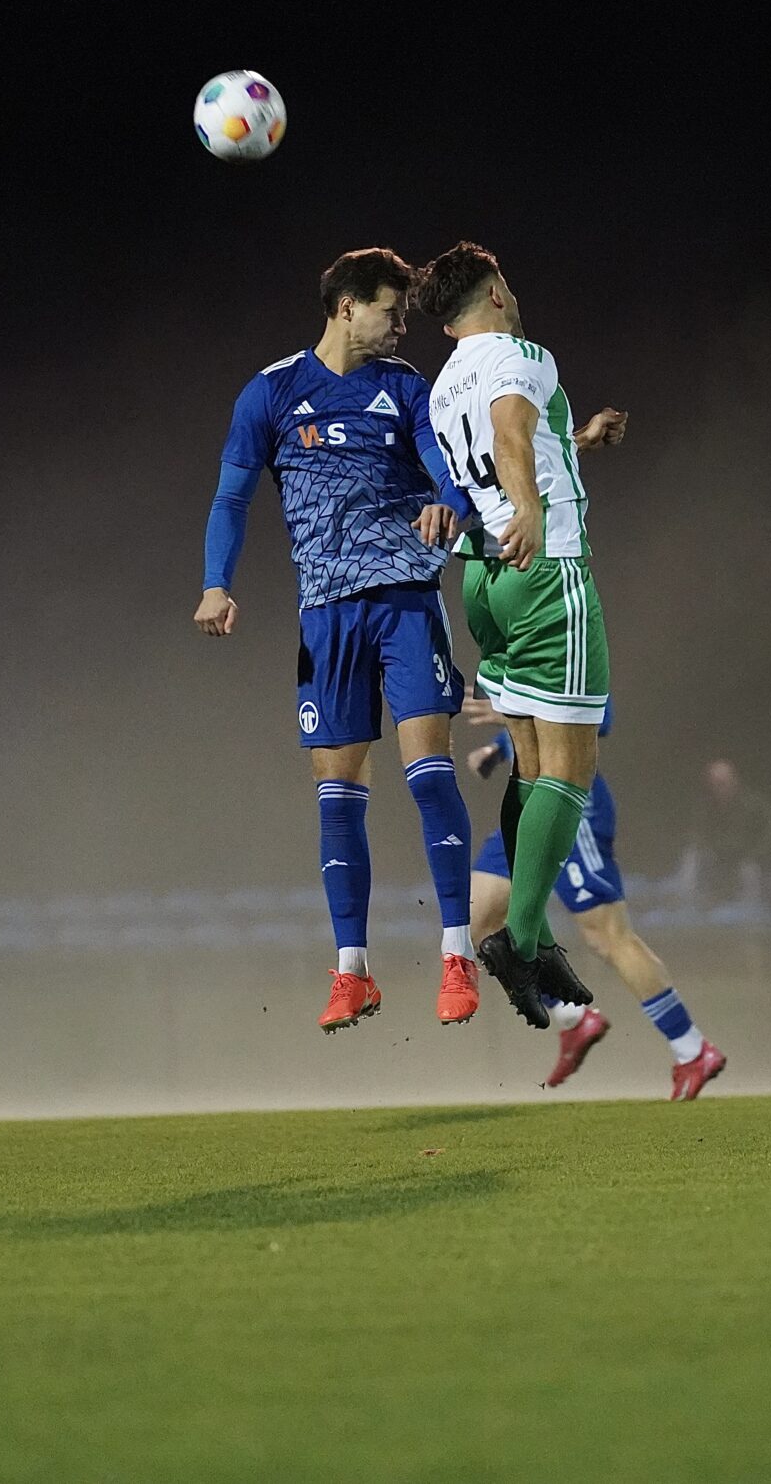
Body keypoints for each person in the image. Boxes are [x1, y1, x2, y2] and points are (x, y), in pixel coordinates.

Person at [195, 248, 485, 1032]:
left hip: (404, 600)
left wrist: (447, 504)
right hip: (326, 616)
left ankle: (458, 952)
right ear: (347, 307)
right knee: (337, 796)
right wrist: (216, 581)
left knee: (428, 773)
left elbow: (440, 462)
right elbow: (231, 494)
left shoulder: (406, 389)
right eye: (392, 309)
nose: (402, 323)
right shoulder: (273, 391)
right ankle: (352, 970)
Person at [415, 241, 614, 1027]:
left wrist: (581, 441)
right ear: (494, 291)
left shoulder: (441, 385)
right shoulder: (521, 352)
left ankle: (525, 937)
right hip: (543, 568)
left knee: (532, 763)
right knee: (573, 767)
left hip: (482, 578)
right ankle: (521, 940)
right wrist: (530, 507)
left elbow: (503, 450)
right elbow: (509, 436)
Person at [463, 698, 728, 1101]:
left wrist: (511, 716)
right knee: (480, 919)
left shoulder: (571, 639)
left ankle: (692, 1049)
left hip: (569, 802)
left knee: (608, 937)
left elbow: (594, 718)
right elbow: (531, 721)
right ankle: (571, 1017)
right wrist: (500, 747)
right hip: (525, 803)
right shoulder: (511, 650)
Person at [682, 758, 771, 907]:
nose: (718, 789)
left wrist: (753, 854)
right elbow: (696, 833)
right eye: (714, 785)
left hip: (750, 859)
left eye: (722, 784)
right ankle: (688, 903)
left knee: (750, 870)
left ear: (734, 781)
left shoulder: (755, 805)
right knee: (691, 856)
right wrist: (708, 850)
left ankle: (751, 908)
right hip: (717, 858)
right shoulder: (705, 807)